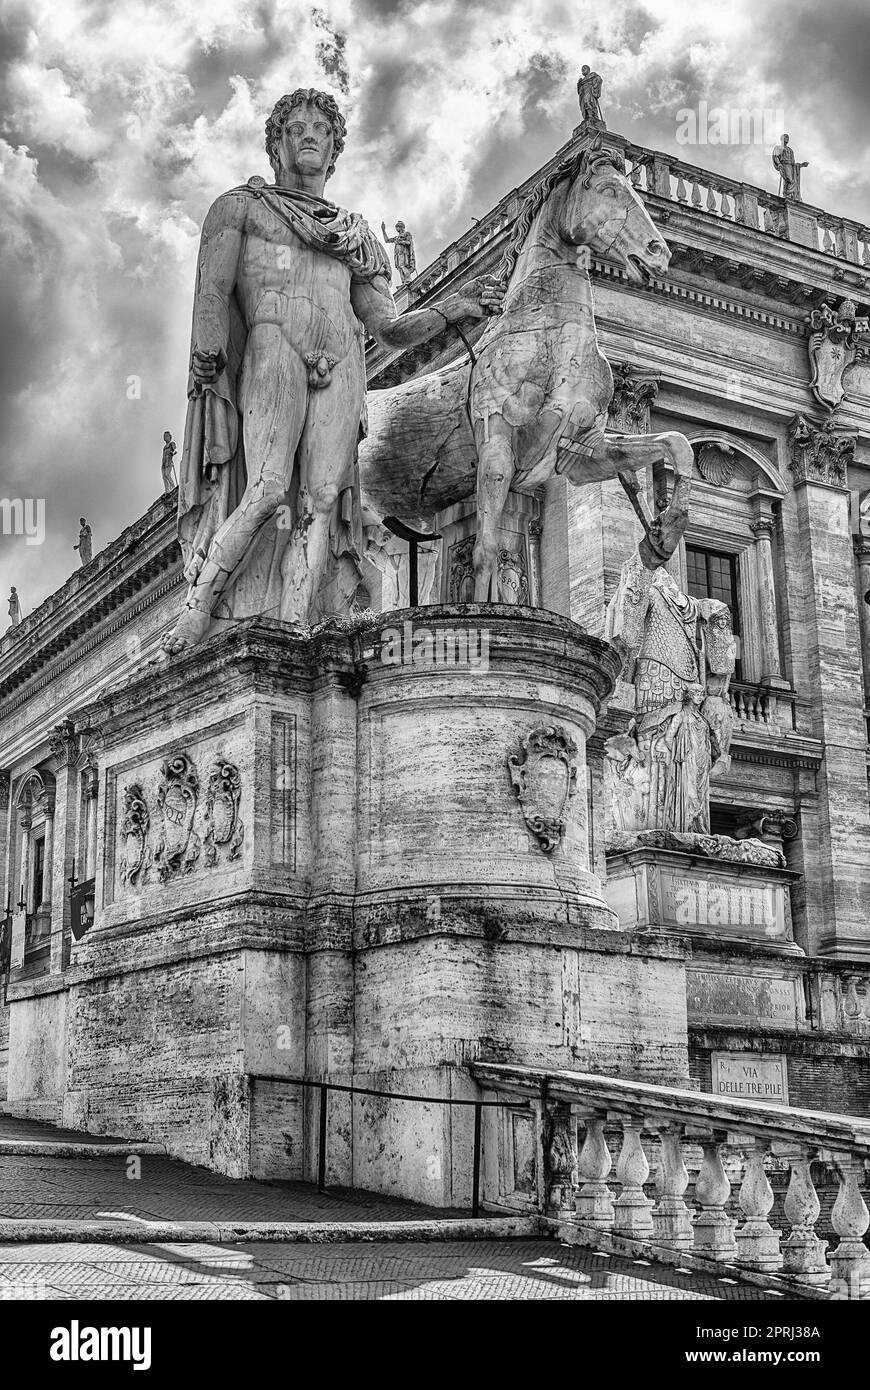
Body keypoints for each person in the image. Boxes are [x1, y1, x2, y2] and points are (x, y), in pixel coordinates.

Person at [166, 87, 502, 654]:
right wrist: (206, 353)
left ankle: (295, 632)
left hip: (344, 361)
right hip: (274, 344)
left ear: (335, 148)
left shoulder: (356, 236)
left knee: (321, 501)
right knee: (269, 486)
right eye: (295, 128)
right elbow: (212, 292)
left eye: (320, 129)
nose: (308, 136)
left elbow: (387, 328)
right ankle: (199, 607)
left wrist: (453, 308)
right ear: (276, 144)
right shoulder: (242, 209)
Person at [604, 552, 736, 837]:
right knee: (667, 750)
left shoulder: (668, 597)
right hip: (667, 686)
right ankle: (676, 824)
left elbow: (623, 635)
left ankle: (677, 825)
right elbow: (627, 630)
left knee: (673, 749)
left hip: (668, 687)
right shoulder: (681, 601)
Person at [772, 134, 808, 203]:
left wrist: (802, 165)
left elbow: (794, 163)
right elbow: (775, 156)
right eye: (785, 137)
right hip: (784, 165)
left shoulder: (790, 150)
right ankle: (787, 194)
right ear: (782, 139)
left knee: (793, 181)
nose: (787, 139)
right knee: (789, 180)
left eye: (788, 138)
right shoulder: (778, 148)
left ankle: (792, 196)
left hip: (791, 166)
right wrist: (779, 163)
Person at [380, 220, 416, 284]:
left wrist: (400, 242)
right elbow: (387, 240)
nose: (397, 229)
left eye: (398, 227)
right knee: (400, 268)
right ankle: (404, 282)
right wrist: (383, 230)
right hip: (397, 255)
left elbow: (409, 242)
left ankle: (408, 280)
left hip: (404, 253)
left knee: (403, 266)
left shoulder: (406, 234)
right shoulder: (396, 237)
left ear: (401, 227)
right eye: (396, 227)